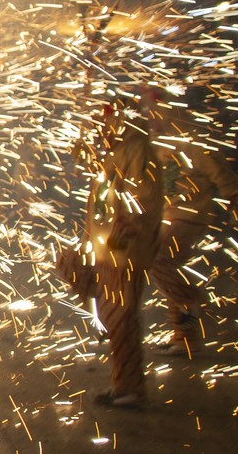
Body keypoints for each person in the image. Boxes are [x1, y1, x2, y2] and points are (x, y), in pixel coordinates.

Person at [59, 98, 163, 408]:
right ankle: (124, 382)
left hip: (123, 250)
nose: (103, 127)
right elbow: (85, 159)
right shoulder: (116, 152)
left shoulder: (138, 152)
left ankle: (129, 387)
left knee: (119, 314)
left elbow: (140, 200)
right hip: (104, 247)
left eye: (107, 121)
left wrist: (123, 234)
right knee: (74, 272)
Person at [145, 89, 238, 357]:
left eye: (155, 115)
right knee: (168, 271)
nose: (151, 120)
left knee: (159, 260)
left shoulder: (189, 141)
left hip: (190, 215)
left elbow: (218, 170)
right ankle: (185, 339)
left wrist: (235, 197)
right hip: (170, 214)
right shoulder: (157, 143)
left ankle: (192, 298)